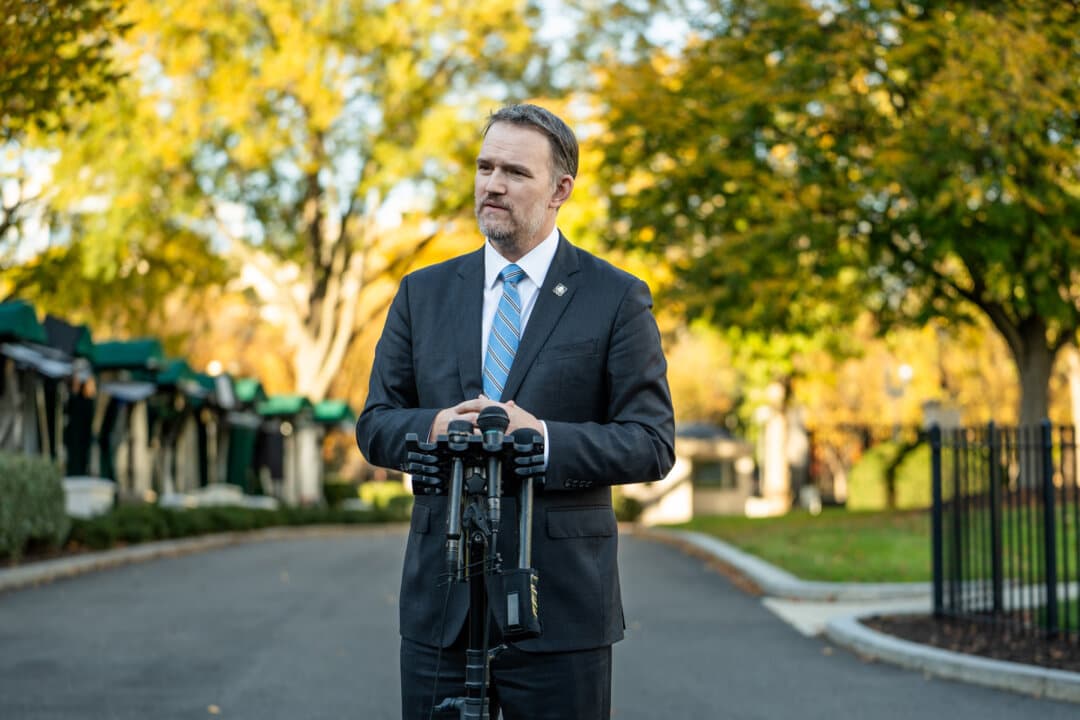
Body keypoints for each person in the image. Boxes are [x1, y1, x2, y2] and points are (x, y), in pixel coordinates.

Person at [355, 103, 675, 719]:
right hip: (440, 603)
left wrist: (544, 439)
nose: (492, 184)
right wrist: (435, 427)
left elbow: (651, 441)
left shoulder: (615, 297)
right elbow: (375, 422)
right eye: (484, 167)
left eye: (515, 172)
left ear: (561, 190)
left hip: (560, 610)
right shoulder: (421, 293)